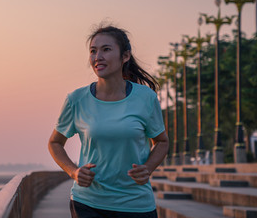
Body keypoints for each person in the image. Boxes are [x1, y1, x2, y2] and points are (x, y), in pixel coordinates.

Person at [48, 25, 169, 218]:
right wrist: (73, 172)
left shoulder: (145, 98)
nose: (98, 57)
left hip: (136, 205)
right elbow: (55, 143)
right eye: (93, 51)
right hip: (88, 204)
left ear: (125, 56)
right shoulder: (76, 99)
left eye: (106, 49)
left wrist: (148, 168)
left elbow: (162, 141)